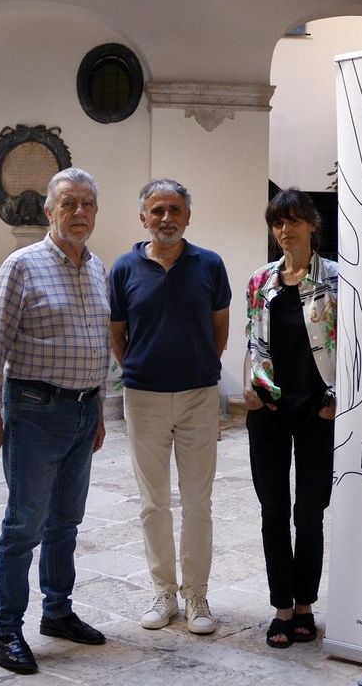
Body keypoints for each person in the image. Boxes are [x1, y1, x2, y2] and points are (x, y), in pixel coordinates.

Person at [0, 167, 110, 675]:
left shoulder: (97, 268)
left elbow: (97, 346)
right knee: (24, 524)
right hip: (33, 410)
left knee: (66, 522)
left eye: (88, 204)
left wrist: (96, 411)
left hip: (81, 410)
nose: (79, 212)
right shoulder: (22, 266)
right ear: (49, 211)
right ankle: (5, 628)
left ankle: (58, 611)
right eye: (69, 203)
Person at [109, 179, 231, 635]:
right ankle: (164, 591)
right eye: (157, 210)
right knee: (152, 502)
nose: (166, 218)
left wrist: (199, 369)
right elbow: (117, 334)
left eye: (174, 209)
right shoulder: (124, 268)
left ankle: (196, 594)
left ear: (187, 216)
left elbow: (220, 330)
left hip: (199, 396)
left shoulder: (210, 265)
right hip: (144, 398)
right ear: (143, 218)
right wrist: (142, 371)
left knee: (199, 501)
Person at [242, 188, 338, 649]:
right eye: (278, 222)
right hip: (270, 410)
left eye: (294, 220)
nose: (286, 230)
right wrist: (252, 386)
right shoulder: (261, 281)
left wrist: (333, 400)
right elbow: (254, 342)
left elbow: (356, 346)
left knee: (311, 510)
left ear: (312, 225)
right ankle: (282, 606)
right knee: (273, 509)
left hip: (318, 411)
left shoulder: (338, 280)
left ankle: (306, 605)